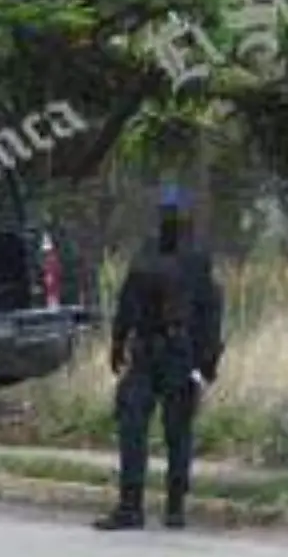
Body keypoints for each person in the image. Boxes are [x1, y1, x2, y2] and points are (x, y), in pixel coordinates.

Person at [95, 186, 223, 531]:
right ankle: (130, 507)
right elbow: (128, 299)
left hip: (179, 353)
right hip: (146, 351)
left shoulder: (197, 259)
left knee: (177, 431)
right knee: (132, 426)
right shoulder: (147, 252)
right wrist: (118, 342)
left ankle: (175, 507)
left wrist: (205, 365)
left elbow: (210, 312)